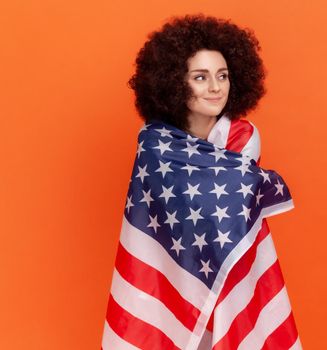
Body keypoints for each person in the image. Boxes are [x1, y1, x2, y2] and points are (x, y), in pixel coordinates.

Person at [101, 14, 301, 349]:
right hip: (174, 265)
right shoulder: (153, 142)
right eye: (200, 77)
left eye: (222, 76)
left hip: (233, 263)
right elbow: (176, 208)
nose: (215, 87)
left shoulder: (243, 136)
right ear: (175, 83)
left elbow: (230, 204)